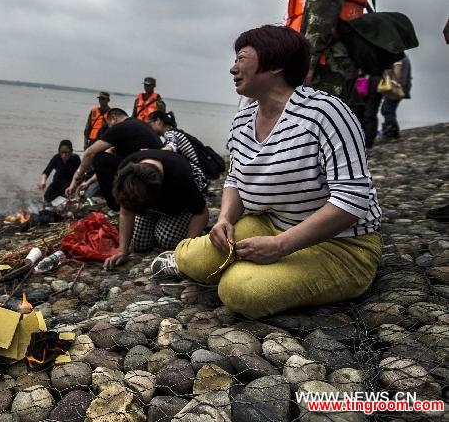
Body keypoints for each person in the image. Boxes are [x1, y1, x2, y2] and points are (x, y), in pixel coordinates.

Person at [152, 25, 381, 319]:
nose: (233, 68)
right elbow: (234, 179)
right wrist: (224, 219)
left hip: (342, 245)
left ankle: (239, 272)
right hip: (272, 224)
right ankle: (198, 262)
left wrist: (281, 246)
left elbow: (352, 199)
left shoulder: (326, 112)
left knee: (240, 291)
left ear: (275, 65)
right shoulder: (242, 120)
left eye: (241, 58)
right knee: (198, 259)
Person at [103, 149, 209, 269]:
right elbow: (126, 212)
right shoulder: (127, 171)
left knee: (167, 239)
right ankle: (157, 219)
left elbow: (201, 212)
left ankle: (168, 224)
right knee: (140, 245)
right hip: (149, 199)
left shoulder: (179, 175)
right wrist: (122, 251)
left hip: (181, 205)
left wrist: (186, 247)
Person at [67, 108, 163, 211]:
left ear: (114, 119)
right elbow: (112, 161)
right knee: (106, 158)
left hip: (145, 172)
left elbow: (90, 153)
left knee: (99, 158)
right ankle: (122, 200)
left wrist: (76, 176)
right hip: (154, 172)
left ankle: (114, 205)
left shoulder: (120, 127)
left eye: (109, 126)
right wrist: (88, 182)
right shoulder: (138, 126)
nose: (109, 129)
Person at [147, 110, 208, 194]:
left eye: (150, 124)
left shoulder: (170, 134)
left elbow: (171, 146)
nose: (149, 127)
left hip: (195, 181)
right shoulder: (175, 132)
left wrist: (150, 152)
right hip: (199, 179)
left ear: (158, 121)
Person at [380, 54, 412, 142]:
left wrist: (393, 83)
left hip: (396, 88)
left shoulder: (397, 55)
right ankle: (392, 133)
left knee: (387, 110)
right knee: (386, 109)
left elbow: (397, 68)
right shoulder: (403, 56)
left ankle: (391, 134)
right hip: (402, 87)